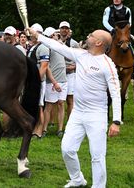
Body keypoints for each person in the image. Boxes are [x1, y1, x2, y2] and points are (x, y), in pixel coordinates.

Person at [28, 27, 121, 188]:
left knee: (97, 156)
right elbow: (59, 47)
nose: (88, 36)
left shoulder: (108, 64)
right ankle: (77, 179)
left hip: (97, 115)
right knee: (67, 149)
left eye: (91, 35)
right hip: (77, 113)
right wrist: (38, 36)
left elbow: (116, 93)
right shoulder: (80, 55)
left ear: (98, 42)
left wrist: (116, 121)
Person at [102, 0, 134, 78]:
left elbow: (129, 23)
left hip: (124, 33)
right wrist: (112, 29)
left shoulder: (127, 9)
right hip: (112, 32)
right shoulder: (108, 9)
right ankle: (100, 70)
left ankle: (133, 71)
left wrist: (124, 31)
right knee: (100, 47)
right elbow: (104, 21)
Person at [42, 27, 67, 138]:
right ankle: (44, 130)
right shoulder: (48, 47)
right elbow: (46, 67)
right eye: (56, 34)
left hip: (63, 80)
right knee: (49, 106)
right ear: (51, 36)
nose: (58, 35)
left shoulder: (61, 46)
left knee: (61, 104)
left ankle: (60, 129)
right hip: (52, 81)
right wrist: (54, 82)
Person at [27, 23, 50, 138]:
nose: (30, 36)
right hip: (32, 80)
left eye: (32, 34)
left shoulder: (43, 47)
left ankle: (39, 131)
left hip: (39, 82)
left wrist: (36, 81)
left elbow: (44, 66)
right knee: (34, 105)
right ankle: (33, 128)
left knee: (40, 106)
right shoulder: (33, 46)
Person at [58, 21, 79, 118]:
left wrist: (73, 67)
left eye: (66, 28)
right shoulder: (55, 42)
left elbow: (79, 59)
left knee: (70, 99)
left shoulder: (74, 43)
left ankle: (71, 120)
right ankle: (54, 122)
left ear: (69, 30)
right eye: (63, 28)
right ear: (59, 29)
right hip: (58, 73)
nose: (64, 30)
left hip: (70, 74)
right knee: (57, 100)